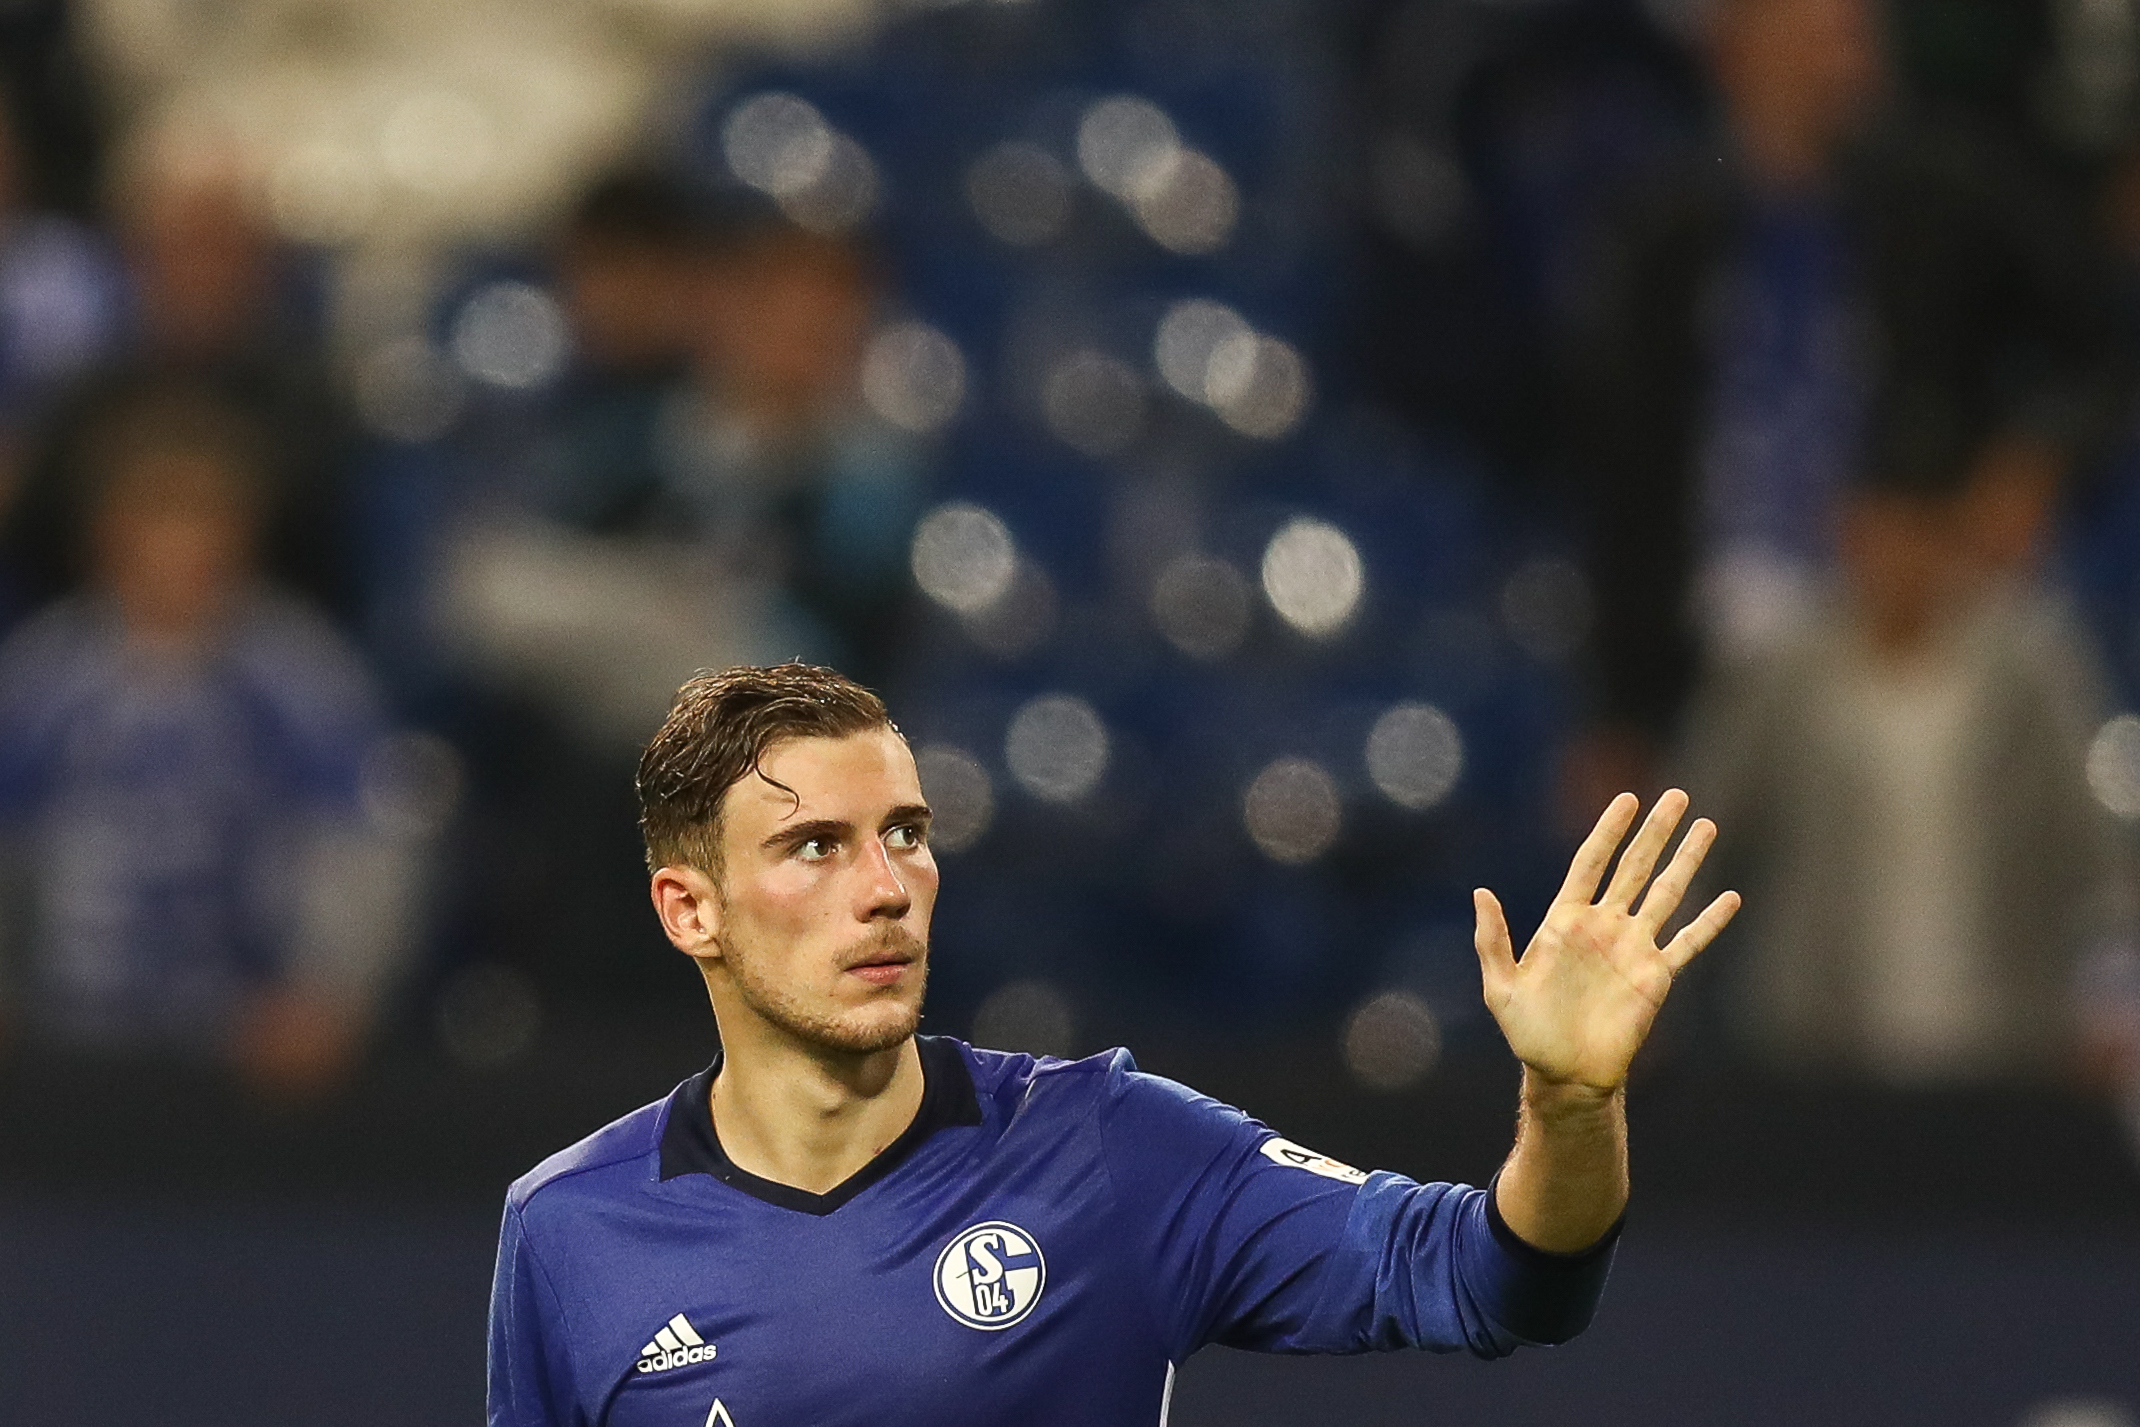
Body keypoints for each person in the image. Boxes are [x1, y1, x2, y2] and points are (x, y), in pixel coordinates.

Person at [486, 663, 1739, 1425]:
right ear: (687, 907)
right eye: (817, 844)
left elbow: (1492, 1278)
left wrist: (1570, 1105)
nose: (886, 885)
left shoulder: (1107, 1148)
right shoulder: (569, 1228)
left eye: (907, 833)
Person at [0, 383, 419, 1096]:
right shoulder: (44, 679)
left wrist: (329, 991)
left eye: (200, 513)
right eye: (156, 511)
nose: (177, 542)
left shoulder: (300, 676)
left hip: (241, 1045)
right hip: (69, 1042)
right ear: (105, 531)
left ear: (243, 530)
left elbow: (367, 845)